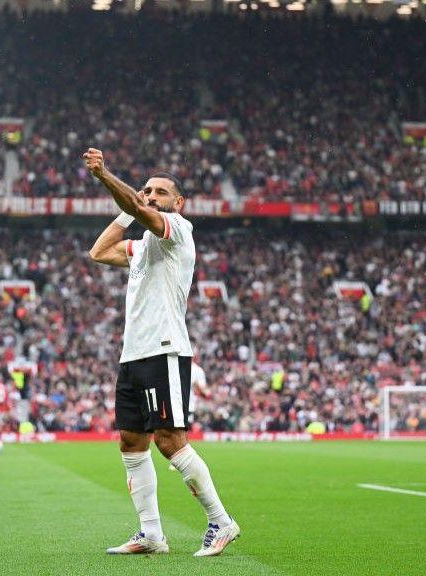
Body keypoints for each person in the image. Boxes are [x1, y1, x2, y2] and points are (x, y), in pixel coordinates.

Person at [84, 147, 239, 557]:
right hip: (133, 354)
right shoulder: (143, 246)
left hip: (164, 349)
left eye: (160, 192)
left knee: (170, 440)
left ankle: (222, 521)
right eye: (147, 191)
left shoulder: (178, 229)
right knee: (132, 441)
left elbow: (144, 212)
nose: (151, 196)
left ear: (178, 202)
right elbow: (98, 252)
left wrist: (106, 177)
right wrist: (127, 211)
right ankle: (151, 533)